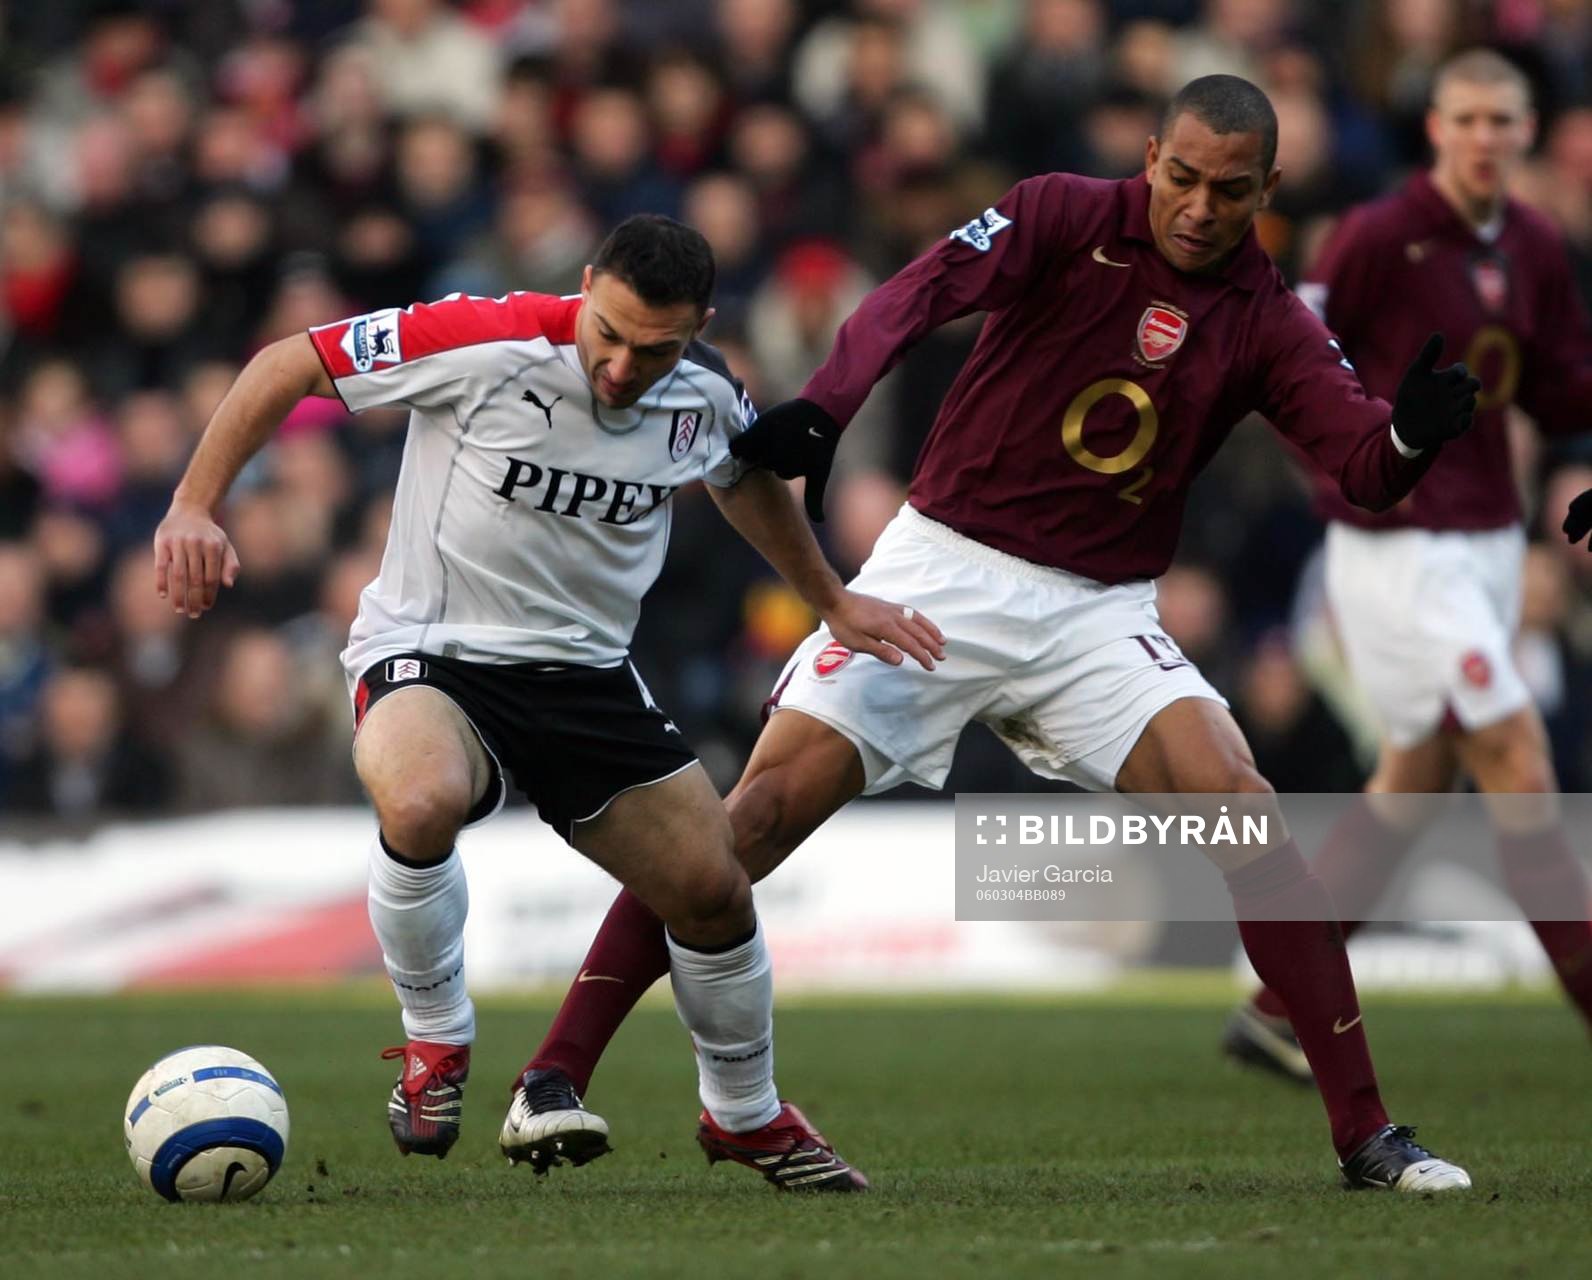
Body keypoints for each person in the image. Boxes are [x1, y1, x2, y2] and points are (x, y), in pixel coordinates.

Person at [515, 75, 1483, 1194]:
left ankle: (1366, 1134)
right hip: (941, 572)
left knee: (1243, 810)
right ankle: (551, 1074)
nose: (1200, 207)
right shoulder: (1063, 213)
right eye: (1180, 177)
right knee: (751, 821)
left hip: (1095, 613)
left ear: (1266, 188)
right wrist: (826, 405)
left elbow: (1362, 464)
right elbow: (912, 296)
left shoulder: (1267, 316)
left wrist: (1409, 434)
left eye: (1229, 190)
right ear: (1149, 152)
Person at [152, 215, 945, 1190]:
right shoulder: (485, 338)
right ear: (584, 286)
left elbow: (743, 478)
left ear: (695, 327)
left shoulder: (701, 393)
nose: (617, 368)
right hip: (433, 650)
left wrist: (828, 597)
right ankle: (436, 1041)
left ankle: (743, 1115)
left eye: (650, 348)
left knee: (711, 889)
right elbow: (290, 361)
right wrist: (194, 503)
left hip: (584, 674)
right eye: (604, 333)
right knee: (420, 797)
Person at [1222, 50, 1592, 1085]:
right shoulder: (1380, 234)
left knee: (1415, 782)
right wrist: (1346, 469)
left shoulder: (1533, 245)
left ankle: (1273, 1004)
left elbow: (1559, 393)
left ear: (1524, 133)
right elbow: (1287, 347)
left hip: (1481, 541)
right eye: (1464, 117)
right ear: (1433, 128)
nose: (1483, 136)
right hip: (1397, 546)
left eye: (1501, 120)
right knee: (1516, 759)